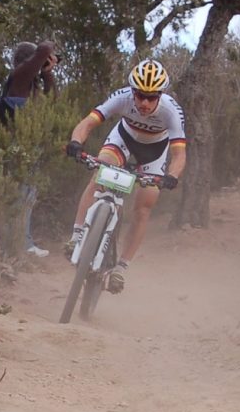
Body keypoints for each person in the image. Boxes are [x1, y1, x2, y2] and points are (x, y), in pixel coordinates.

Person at [65, 58, 186, 293]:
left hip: (154, 153)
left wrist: (172, 176)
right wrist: (75, 142)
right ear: (132, 91)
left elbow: (179, 153)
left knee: (144, 207)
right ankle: (77, 235)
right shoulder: (121, 98)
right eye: (140, 95)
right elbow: (88, 122)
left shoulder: (171, 111)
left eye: (151, 97)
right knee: (100, 174)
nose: (144, 102)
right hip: (123, 140)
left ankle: (121, 268)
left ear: (160, 95)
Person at [0, 39, 60, 258]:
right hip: (16, 146)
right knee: (19, 197)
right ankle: (16, 246)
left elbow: (53, 103)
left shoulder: (30, 85)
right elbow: (43, 49)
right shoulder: (19, 77)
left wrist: (48, 74)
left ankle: (22, 243)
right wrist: (47, 50)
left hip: (30, 147)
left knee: (27, 197)